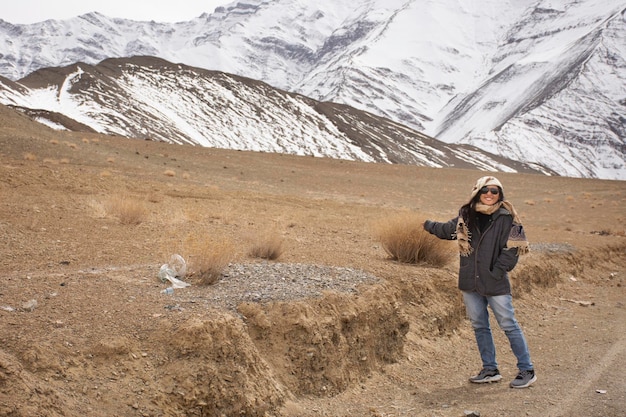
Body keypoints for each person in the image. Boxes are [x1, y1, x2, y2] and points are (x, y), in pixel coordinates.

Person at [423, 176, 536, 389]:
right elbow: (448, 231)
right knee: (480, 326)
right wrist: (426, 225)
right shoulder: (466, 214)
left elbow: (514, 248)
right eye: (485, 190)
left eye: (495, 191)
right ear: (477, 191)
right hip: (470, 281)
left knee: (508, 324)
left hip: (495, 282)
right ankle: (490, 369)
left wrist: (497, 270)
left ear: (500, 194)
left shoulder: (509, 216)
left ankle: (526, 369)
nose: (490, 194)